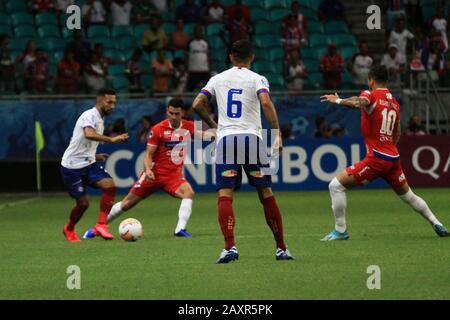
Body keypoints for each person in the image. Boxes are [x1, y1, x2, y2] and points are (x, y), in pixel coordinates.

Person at [192, 39, 294, 263]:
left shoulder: (217, 79)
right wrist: (276, 133)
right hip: (252, 141)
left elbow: (197, 103)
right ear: (252, 57)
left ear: (230, 57)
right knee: (265, 193)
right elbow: (266, 103)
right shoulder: (257, 78)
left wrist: (213, 124)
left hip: (227, 141)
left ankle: (230, 247)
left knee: (225, 195)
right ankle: (281, 248)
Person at [319, 65, 449, 240]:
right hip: (393, 158)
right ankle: (437, 223)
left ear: (371, 80)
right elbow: (398, 133)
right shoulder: (394, 103)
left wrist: (338, 100)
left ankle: (341, 230)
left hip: (377, 159)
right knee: (409, 195)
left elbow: (359, 102)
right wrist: (388, 149)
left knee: (335, 185)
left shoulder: (370, 94)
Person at [83, 99, 214, 239]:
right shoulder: (158, 129)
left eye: (177, 113)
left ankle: (180, 229)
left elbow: (204, 135)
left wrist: (218, 134)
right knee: (127, 204)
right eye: (171, 113)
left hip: (173, 176)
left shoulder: (189, 126)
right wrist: (148, 170)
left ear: (182, 113)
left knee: (188, 192)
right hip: (154, 174)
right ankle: (97, 228)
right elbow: (148, 155)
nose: (174, 116)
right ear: (167, 111)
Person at [60, 88, 129, 242]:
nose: (112, 106)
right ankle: (69, 228)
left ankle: (101, 225)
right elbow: (88, 134)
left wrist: (95, 156)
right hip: (72, 167)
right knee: (83, 204)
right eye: (109, 102)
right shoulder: (89, 115)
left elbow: (82, 142)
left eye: (114, 103)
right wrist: (111, 140)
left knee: (110, 186)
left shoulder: (100, 119)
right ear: (99, 101)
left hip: (89, 163)